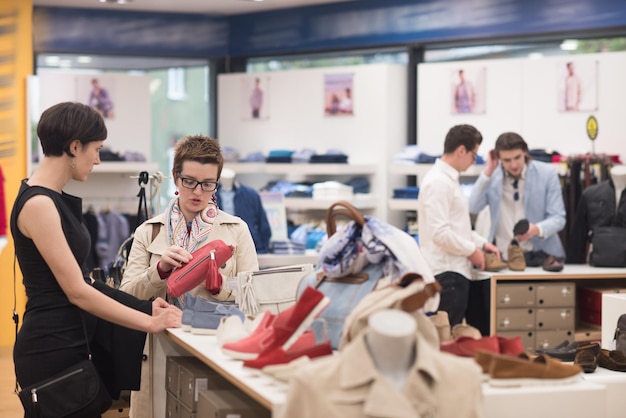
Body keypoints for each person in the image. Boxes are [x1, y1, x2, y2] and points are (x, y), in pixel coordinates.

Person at [10, 102, 182, 416]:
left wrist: (145, 307)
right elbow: (77, 290)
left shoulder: (53, 198)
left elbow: (88, 281)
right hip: (51, 347)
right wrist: (149, 323)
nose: (99, 160)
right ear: (75, 147)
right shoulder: (39, 204)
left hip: (69, 342)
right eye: (96, 149)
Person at [119, 134, 259, 418]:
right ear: (175, 177)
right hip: (156, 350)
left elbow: (255, 299)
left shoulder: (235, 230)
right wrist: (158, 272)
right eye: (189, 181)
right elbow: (125, 298)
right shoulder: (150, 231)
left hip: (213, 350)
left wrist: (219, 288)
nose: (198, 192)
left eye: (208, 184)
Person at [417, 124, 499, 336]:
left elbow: (457, 227)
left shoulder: (448, 181)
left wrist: (482, 243)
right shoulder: (438, 183)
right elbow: (440, 233)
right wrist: (472, 251)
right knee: (445, 338)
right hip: (447, 273)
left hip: (453, 271)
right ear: (461, 150)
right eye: (474, 155)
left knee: (452, 335)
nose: (474, 161)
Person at [468, 132, 566, 269]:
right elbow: (473, 207)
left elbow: (558, 218)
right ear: (499, 158)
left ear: (525, 152)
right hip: (503, 258)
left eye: (517, 157)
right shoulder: (492, 177)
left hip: (541, 257)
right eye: (507, 160)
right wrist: (488, 171)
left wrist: (536, 229)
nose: (513, 165)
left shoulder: (547, 173)